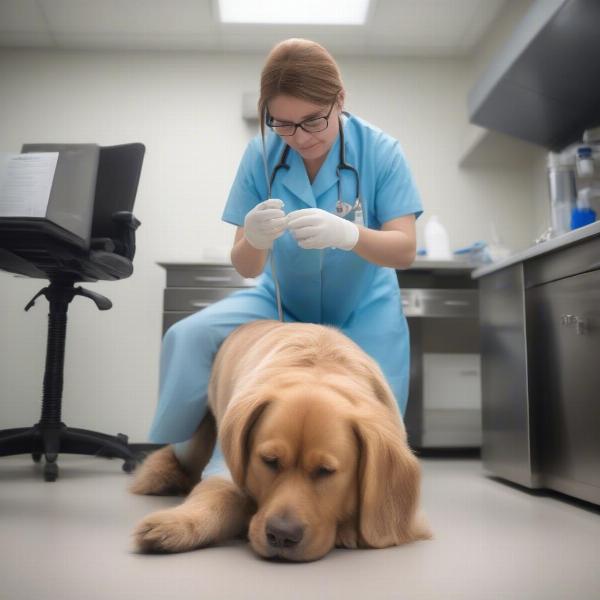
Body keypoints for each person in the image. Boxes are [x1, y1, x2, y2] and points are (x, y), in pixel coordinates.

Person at [148, 38, 422, 475]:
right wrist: (253, 238)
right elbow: (246, 265)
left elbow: (404, 249)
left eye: (313, 121)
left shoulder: (381, 151)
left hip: (363, 308)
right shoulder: (262, 153)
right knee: (187, 336)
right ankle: (181, 456)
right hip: (280, 302)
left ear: (340, 100)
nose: (300, 138)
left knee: (376, 430)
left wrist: (350, 234)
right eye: (284, 124)